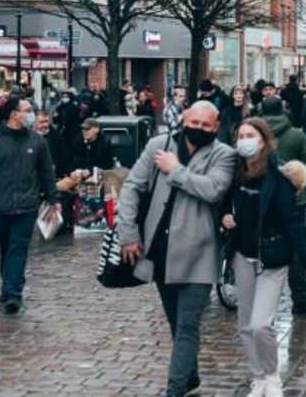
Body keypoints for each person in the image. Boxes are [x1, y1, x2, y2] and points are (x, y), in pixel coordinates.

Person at [117, 101, 237, 397]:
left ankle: (175, 389)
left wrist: (175, 169)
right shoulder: (159, 145)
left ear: (216, 127)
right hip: (160, 250)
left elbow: (213, 190)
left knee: (187, 325)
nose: (199, 129)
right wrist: (128, 232)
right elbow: (132, 186)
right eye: (194, 123)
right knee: (175, 322)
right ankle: (189, 376)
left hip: (199, 252)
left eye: (206, 125)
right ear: (184, 119)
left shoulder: (224, 154)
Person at [220, 117, 306, 397]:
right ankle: (258, 377)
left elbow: (293, 221)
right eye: (240, 136)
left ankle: (272, 377)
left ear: (263, 141)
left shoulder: (278, 177)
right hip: (242, 255)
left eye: (250, 135)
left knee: (261, 324)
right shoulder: (235, 172)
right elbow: (223, 202)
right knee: (245, 325)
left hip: (272, 257)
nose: (244, 141)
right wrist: (224, 215)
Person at [0, 94, 62, 315]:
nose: (31, 114)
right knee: (6, 248)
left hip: (27, 205)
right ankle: (8, 283)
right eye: (27, 110)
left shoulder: (37, 141)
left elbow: (47, 173)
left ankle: (13, 293)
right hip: (0, 205)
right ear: (13, 114)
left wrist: (54, 199)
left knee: (18, 248)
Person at [258, 96, 306, 314]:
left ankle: (258, 298)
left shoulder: (256, 136)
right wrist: (300, 187)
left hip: (261, 199)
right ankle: (300, 296)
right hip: (293, 199)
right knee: (294, 244)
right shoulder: (296, 135)